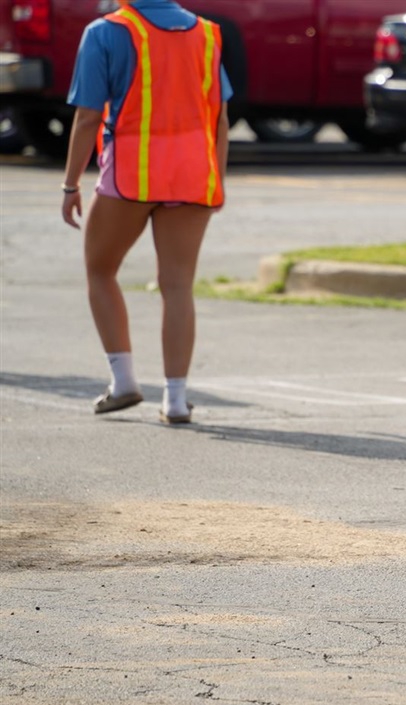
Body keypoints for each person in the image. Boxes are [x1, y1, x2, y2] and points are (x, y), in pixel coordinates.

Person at [60, 0, 230, 425]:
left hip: (132, 172)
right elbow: (221, 118)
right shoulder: (207, 33)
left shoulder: (106, 31)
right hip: (194, 172)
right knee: (177, 286)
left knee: (100, 270)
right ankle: (175, 400)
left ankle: (123, 382)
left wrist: (70, 184)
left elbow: (87, 118)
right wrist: (217, 180)